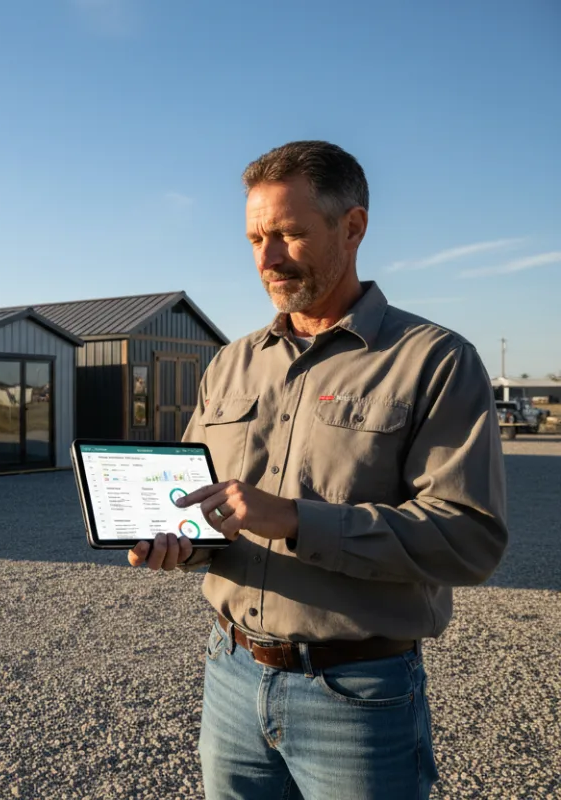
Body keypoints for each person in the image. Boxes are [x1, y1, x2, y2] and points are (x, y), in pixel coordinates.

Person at [128, 140, 508, 799]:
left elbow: (468, 539)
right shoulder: (231, 364)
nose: (267, 258)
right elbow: (197, 505)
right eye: (254, 238)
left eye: (289, 234)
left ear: (352, 227)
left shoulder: (435, 361)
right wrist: (174, 545)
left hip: (358, 696)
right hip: (231, 674)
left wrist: (293, 520)